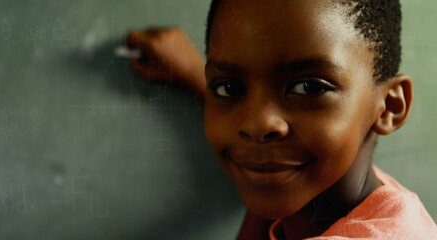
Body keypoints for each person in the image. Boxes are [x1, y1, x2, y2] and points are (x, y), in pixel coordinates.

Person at [126, 0, 437, 239]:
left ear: (389, 107)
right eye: (230, 87)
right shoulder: (334, 183)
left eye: (309, 87)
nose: (255, 125)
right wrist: (196, 77)